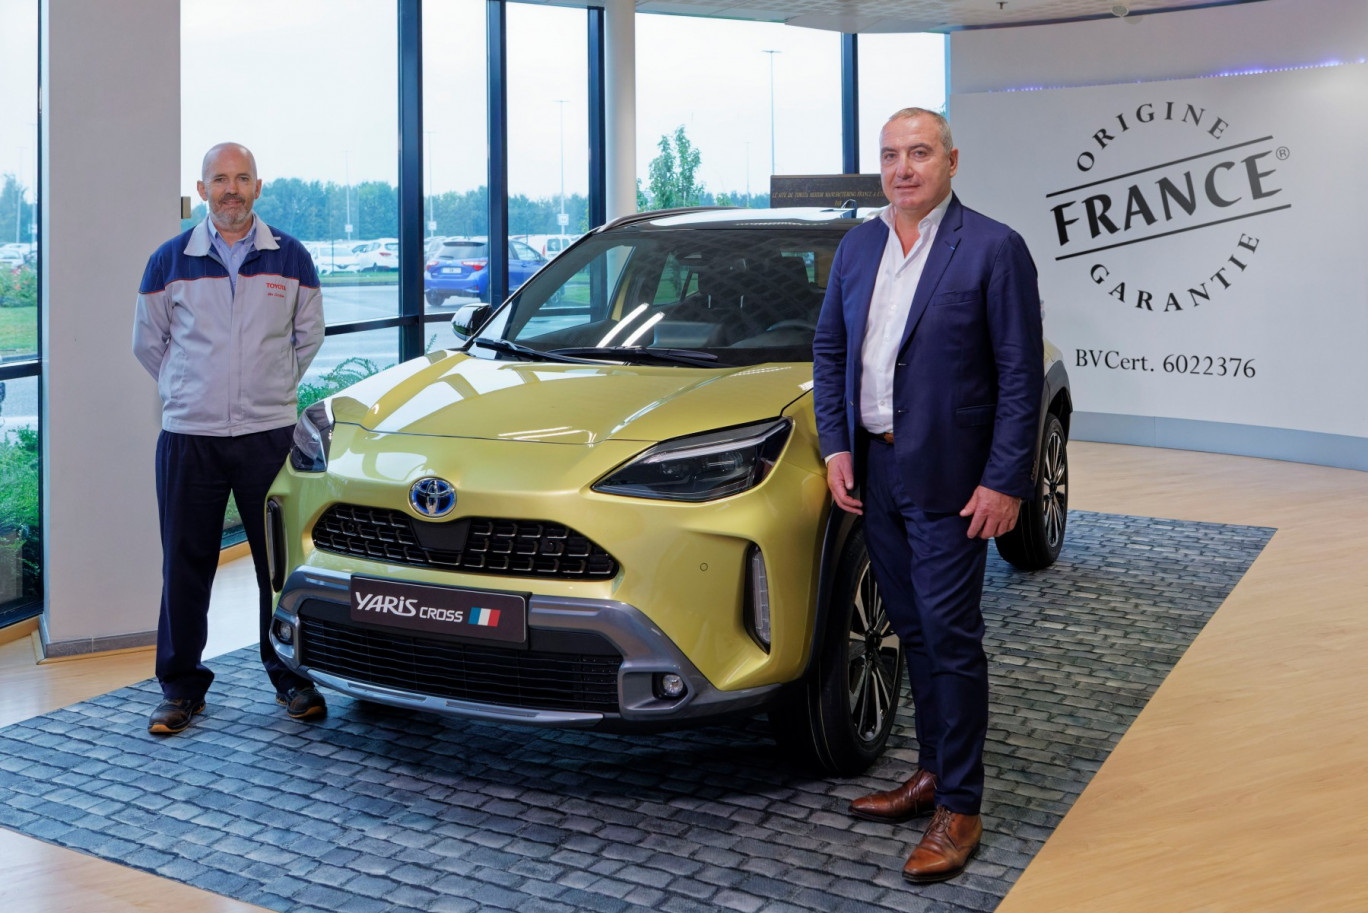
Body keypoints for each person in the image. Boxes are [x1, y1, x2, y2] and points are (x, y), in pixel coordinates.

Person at [812, 108, 1043, 883]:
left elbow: (1019, 375)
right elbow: (830, 346)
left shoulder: (993, 248)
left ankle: (963, 805)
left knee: (950, 637)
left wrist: (1007, 478)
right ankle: (933, 774)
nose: (902, 168)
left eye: (918, 153)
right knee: (911, 631)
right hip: (874, 476)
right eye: (889, 155)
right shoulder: (859, 244)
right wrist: (837, 443)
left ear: (951, 161)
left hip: (952, 478)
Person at [133, 142, 327, 735]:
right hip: (189, 437)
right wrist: (191, 389)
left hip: (268, 437)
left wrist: (266, 390)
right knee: (185, 565)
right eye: (221, 179)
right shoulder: (168, 261)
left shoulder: (291, 257)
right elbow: (149, 344)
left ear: (258, 187)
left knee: (277, 565)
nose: (232, 190)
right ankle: (181, 687)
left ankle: (291, 677)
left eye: (242, 178)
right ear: (202, 189)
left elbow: (308, 336)